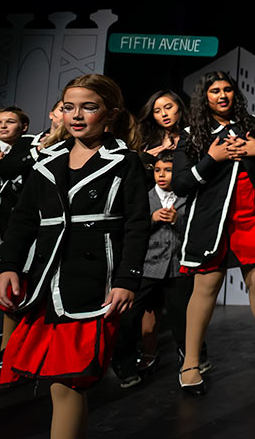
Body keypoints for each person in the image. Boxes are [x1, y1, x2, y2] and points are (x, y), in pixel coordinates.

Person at [0, 74, 149, 439]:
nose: (77, 115)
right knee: (59, 384)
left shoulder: (125, 162)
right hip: (47, 282)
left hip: (94, 285)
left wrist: (127, 280)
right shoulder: (46, 160)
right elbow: (23, 219)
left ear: (109, 114)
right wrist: (8, 266)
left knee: (68, 383)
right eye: (69, 107)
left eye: (89, 107)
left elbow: (138, 225)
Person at [172, 70, 255, 394]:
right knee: (205, 287)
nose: (222, 95)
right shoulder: (193, 134)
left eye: (227, 89)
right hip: (211, 222)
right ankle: (190, 362)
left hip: (252, 216)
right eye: (215, 90)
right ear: (204, 97)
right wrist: (211, 158)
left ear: (235, 93)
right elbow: (180, 184)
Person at [111, 150, 194, 388]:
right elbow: (129, 227)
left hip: (177, 267)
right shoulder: (144, 198)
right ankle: (124, 365)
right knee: (129, 318)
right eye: (158, 170)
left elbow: (197, 229)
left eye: (168, 170)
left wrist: (178, 219)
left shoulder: (187, 197)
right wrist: (152, 218)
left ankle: (192, 360)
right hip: (147, 266)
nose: (162, 175)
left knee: (184, 318)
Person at [0, 106, 38, 369]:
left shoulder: (33, 147)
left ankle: (13, 349)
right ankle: (4, 348)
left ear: (24, 126)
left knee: (20, 286)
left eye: (10, 122)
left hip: (22, 228)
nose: (3, 126)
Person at [137, 89, 187, 159]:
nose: (164, 114)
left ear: (179, 107)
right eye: (157, 111)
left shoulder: (192, 134)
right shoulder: (146, 140)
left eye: (168, 107)